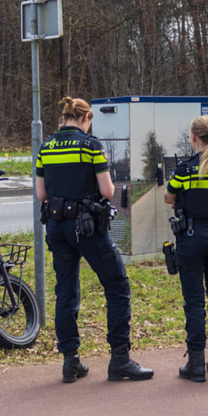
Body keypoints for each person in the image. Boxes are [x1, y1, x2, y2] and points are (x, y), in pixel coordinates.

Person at [36, 97, 153, 383]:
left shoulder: (46, 147)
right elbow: (108, 190)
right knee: (117, 285)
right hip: (87, 229)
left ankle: (71, 361)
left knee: (65, 293)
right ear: (87, 117)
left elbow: (41, 195)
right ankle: (120, 360)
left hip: (56, 227)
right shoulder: (91, 146)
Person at [164, 115, 208, 383]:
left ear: (193, 137)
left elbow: (168, 197)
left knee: (194, 303)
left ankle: (196, 364)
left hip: (192, 239)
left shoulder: (184, 170)